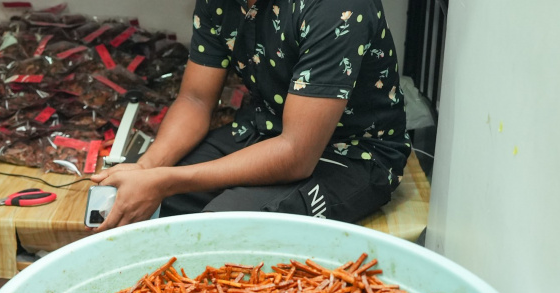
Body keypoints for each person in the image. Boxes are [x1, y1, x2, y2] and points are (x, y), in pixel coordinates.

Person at [92, 0, 410, 231]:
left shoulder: (335, 7)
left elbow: (296, 153)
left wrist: (164, 181)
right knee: (131, 205)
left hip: (351, 154)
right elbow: (195, 100)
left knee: (221, 231)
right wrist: (147, 168)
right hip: (264, 129)